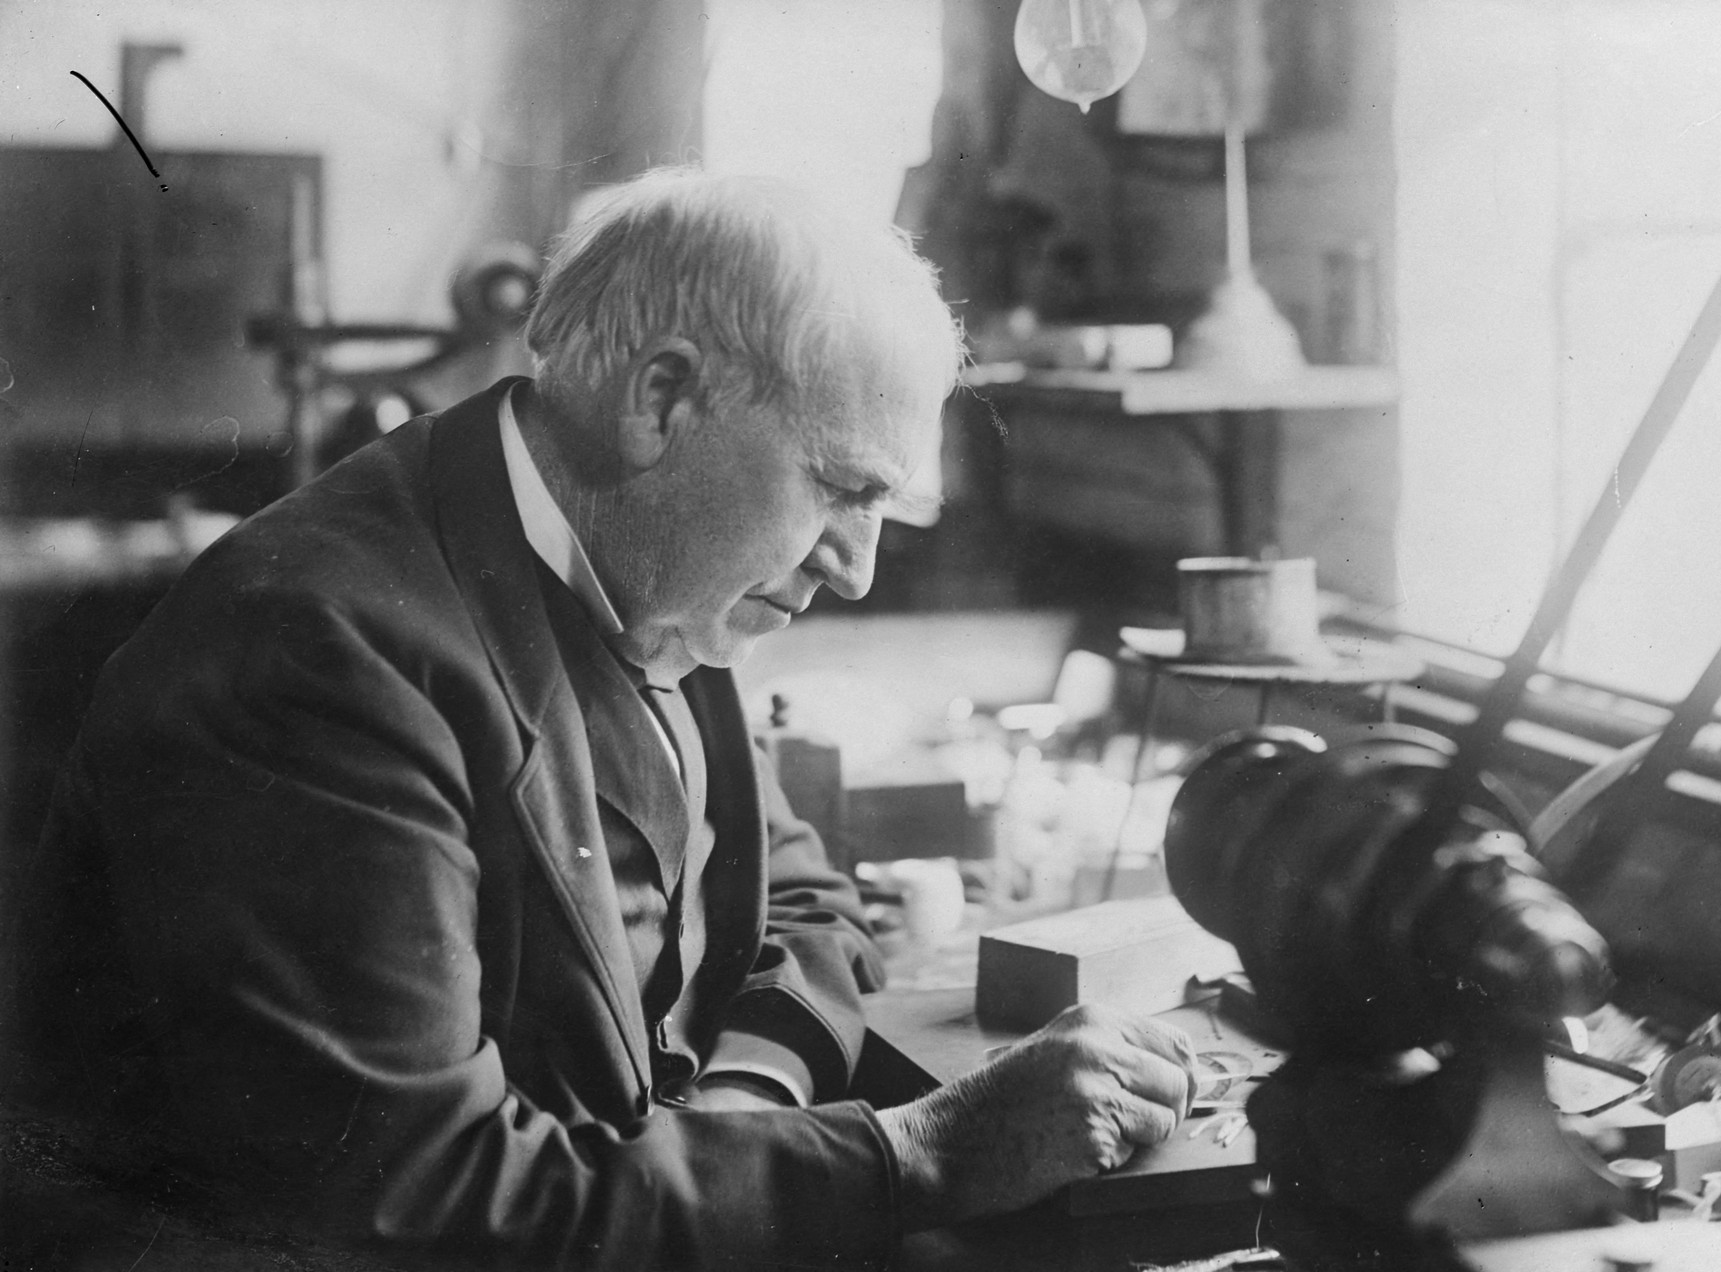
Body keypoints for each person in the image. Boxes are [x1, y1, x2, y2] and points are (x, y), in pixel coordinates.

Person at [20, 169, 1200, 1269]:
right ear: (662, 398)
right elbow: (419, 1197)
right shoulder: (317, 657)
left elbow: (800, 894)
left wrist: (744, 1117)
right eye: (844, 488)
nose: (856, 569)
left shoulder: (647, 564)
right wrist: (918, 1153)